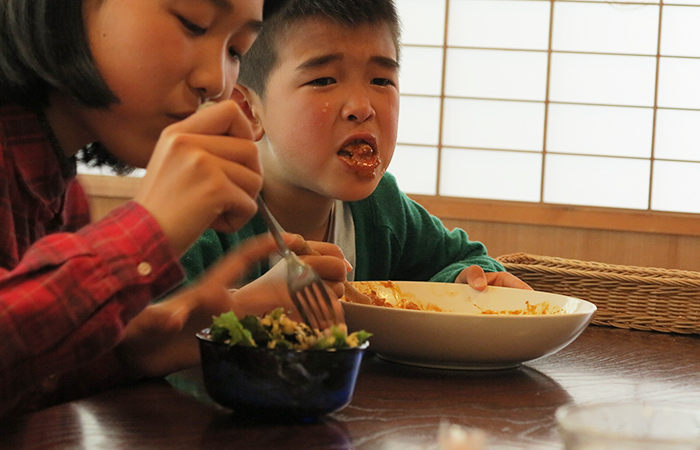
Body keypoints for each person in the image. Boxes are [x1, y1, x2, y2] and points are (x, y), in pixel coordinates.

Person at [0, 0, 347, 415]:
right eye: (193, 23)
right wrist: (145, 235)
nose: (216, 81)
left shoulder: (62, 192)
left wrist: (135, 351)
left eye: (235, 51)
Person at [181, 0, 530, 291]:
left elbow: (468, 261)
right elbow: (144, 333)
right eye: (324, 80)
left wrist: (467, 282)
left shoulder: (382, 208)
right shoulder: (205, 216)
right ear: (249, 112)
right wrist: (245, 308)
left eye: (382, 80)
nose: (362, 108)